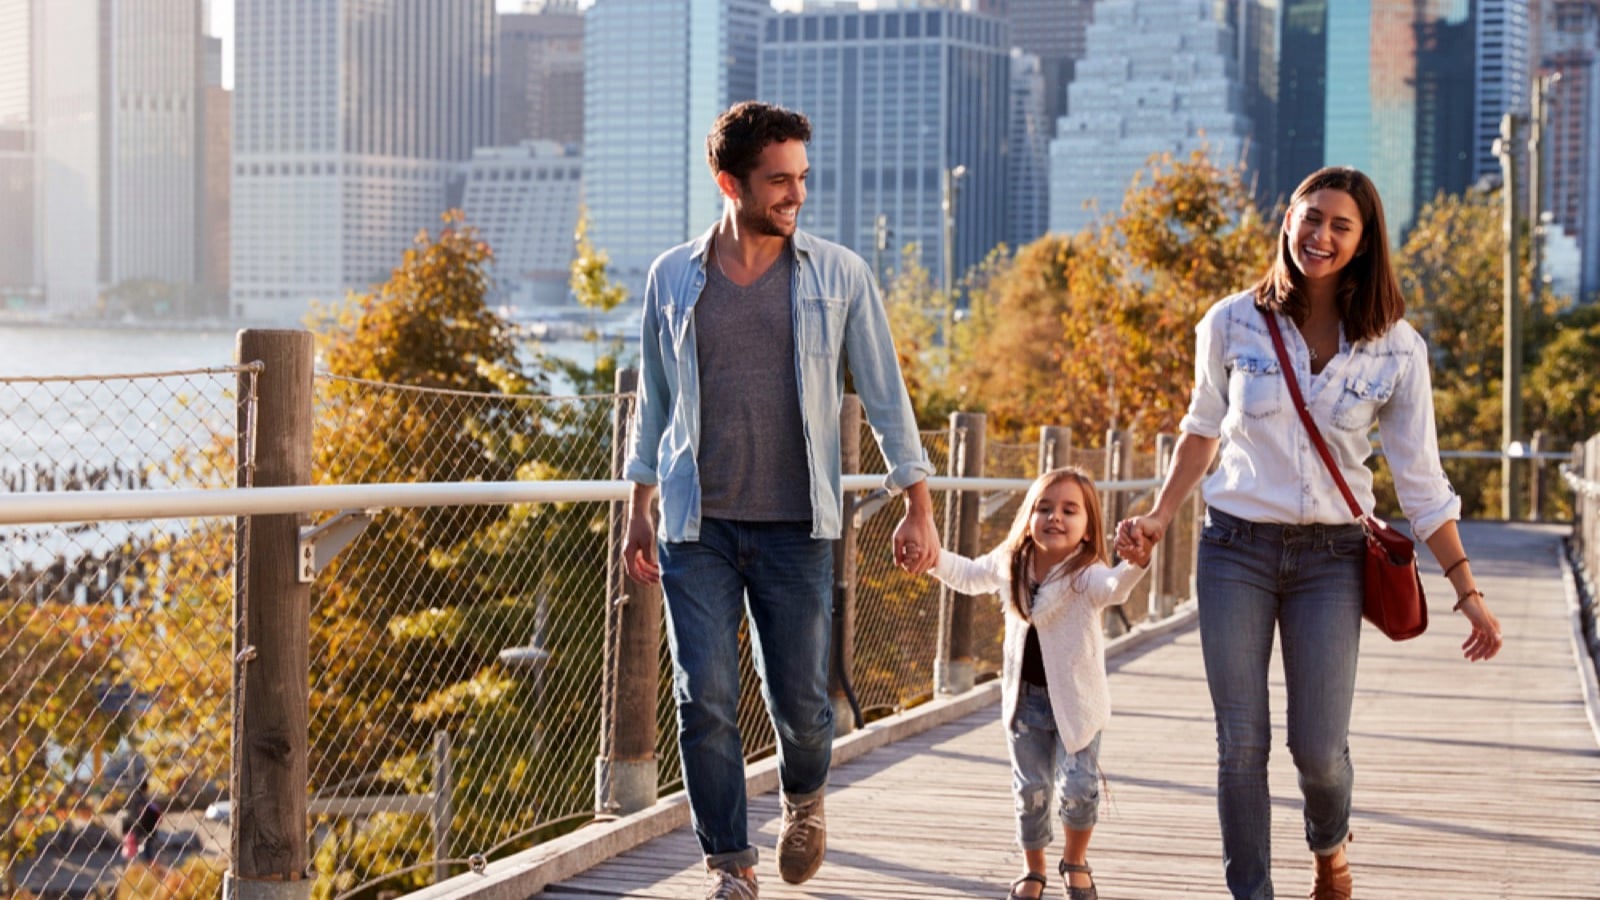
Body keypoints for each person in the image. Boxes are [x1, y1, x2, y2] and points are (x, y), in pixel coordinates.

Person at [1117, 166, 1503, 900]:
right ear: (1288, 219)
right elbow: (1201, 430)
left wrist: (1468, 591)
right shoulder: (1230, 321)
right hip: (1235, 548)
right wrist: (1159, 516)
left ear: (1363, 243)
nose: (1320, 235)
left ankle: (1330, 849)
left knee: (1318, 750)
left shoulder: (1397, 349)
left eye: (1340, 225)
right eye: (1311, 217)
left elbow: (1422, 483)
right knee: (1241, 743)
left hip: (1333, 557)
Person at [621, 100, 941, 900]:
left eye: (801, 178)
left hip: (799, 527)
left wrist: (918, 502)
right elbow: (654, 404)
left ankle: (805, 799)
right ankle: (730, 862)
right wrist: (638, 504)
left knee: (800, 704)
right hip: (698, 525)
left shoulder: (840, 275)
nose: (795, 195)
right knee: (706, 701)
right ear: (730, 183)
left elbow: (886, 392)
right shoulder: (672, 278)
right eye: (777, 182)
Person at [919, 467, 1149, 900]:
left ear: (1087, 527)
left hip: (1077, 705)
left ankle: (1075, 860)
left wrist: (1135, 562)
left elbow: (1116, 587)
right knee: (1031, 791)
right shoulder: (1012, 563)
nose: (1055, 517)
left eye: (1069, 510)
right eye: (1044, 507)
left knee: (1079, 788)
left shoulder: (1086, 574)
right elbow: (968, 574)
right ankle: (1034, 868)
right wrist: (932, 556)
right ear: (1028, 516)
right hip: (1025, 703)